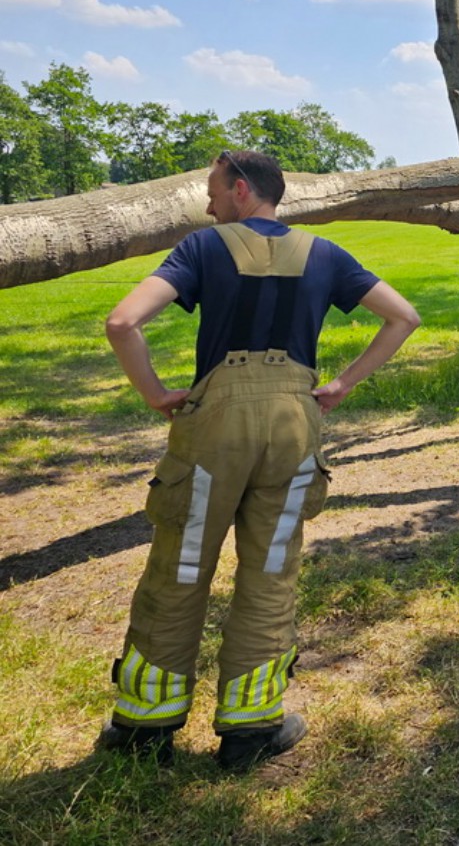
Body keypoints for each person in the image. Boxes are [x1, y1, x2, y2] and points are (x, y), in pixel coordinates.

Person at [96, 150, 421, 768]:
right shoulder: (325, 254)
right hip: (294, 429)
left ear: (242, 191)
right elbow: (404, 317)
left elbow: (122, 322)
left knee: (183, 568)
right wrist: (344, 384)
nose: (208, 203)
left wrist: (155, 394)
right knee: (271, 572)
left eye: (213, 191)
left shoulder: (202, 248)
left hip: (212, 433)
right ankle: (249, 732)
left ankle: (145, 730)